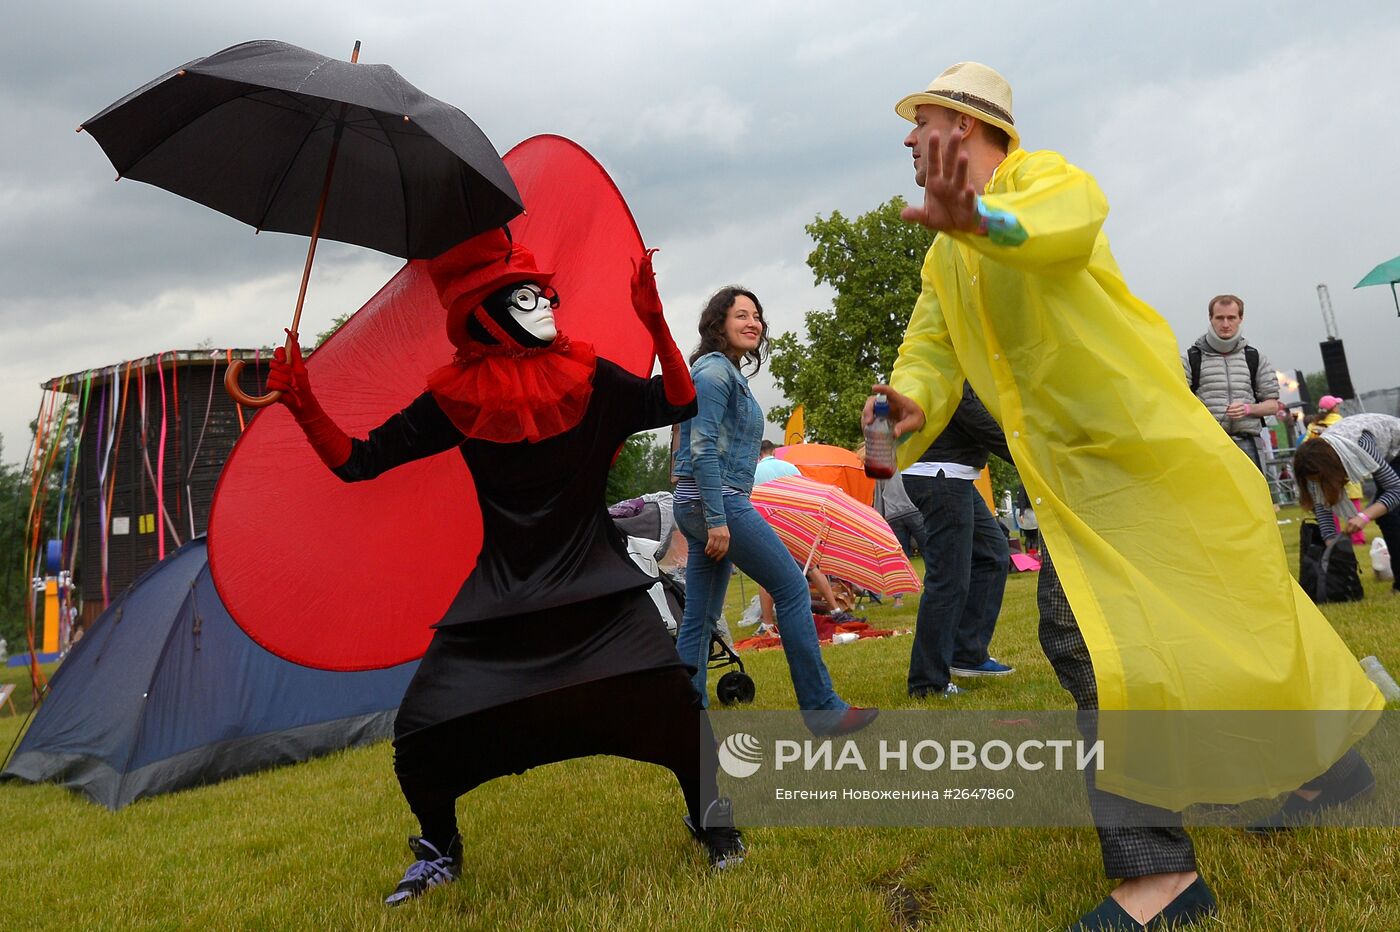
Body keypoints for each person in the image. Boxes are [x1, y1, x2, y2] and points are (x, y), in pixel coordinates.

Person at [868, 61, 1381, 930]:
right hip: (1081, 481)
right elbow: (930, 351)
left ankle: (1161, 879)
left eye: (922, 124)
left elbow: (1057, 232)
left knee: (1108, 635)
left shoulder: (1045, 182)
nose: (910, 142)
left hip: (1147, 456)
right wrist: (913, 401)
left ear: (969, 130)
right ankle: (1327, 770)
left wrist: (984, 219)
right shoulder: (942, 256)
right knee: (1192, 622)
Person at [267, 232, 744, 906]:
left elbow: (676, 401)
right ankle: (439, 850)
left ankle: (711, 818)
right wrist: (300, 399)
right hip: (502, 603)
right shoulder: (457, 399)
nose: (546, 303)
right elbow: (357, 461)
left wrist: (654, 317)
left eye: (543, 291)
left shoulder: (590, 378)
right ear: (487, 317)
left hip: (599, 590)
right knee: (423, 729)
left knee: (673, 697)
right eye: (525, 296)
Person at [672, 286, 875, 735]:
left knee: (700, 618)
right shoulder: (712, 373)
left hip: (704, 501)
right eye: (740, 314)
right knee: (790, 588)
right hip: (718, 501)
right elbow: (702, 449)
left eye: (757, 316)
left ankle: (684, 723)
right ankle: (823, 709)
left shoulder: (723, 373)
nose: (752, 322)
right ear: (718, 323)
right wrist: (717, 518)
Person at [902, 382, 1015, 698]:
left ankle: (968, 653)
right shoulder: (956, 370)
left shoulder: (967, 366)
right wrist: (1028, 456)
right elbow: (980, 422)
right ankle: (927, 682)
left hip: (953, 475)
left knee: (993, 552)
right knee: (948, 580)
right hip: (940, 475)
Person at [1294, 412, 1400, 595]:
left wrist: (1363, 516)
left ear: (1331, 469)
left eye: (1321, 480)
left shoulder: (1361, 446)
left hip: (1396, 446)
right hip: (1383, 451)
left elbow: (1396, 490)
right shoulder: (1312, 462)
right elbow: (1323, 506)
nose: (1319, 484)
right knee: (1388, 516)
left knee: (1390, 516)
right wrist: (1332, 544)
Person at [1182, 295, 1281, 474]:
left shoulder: (1255, 358)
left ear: (1240, 319)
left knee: (1254, 500)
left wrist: (1248, 409)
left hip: (1249, 444)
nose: (1225, 324)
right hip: (1207, 445)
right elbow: (1178, 402)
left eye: (1231, 318)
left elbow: (1273, 405)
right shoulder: (1189, 358)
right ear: (1210, 318)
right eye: (1219, 318)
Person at [1305, 396, 1367, 545]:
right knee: (1353, 503)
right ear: (1333, 408)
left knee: (1328, 504)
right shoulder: (1340, 421)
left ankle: (1334, 537)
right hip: (1343, 466)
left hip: (1323, 470)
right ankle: (1357, 538)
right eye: (1337, 405)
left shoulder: (1313, 426)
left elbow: (1307, 444)